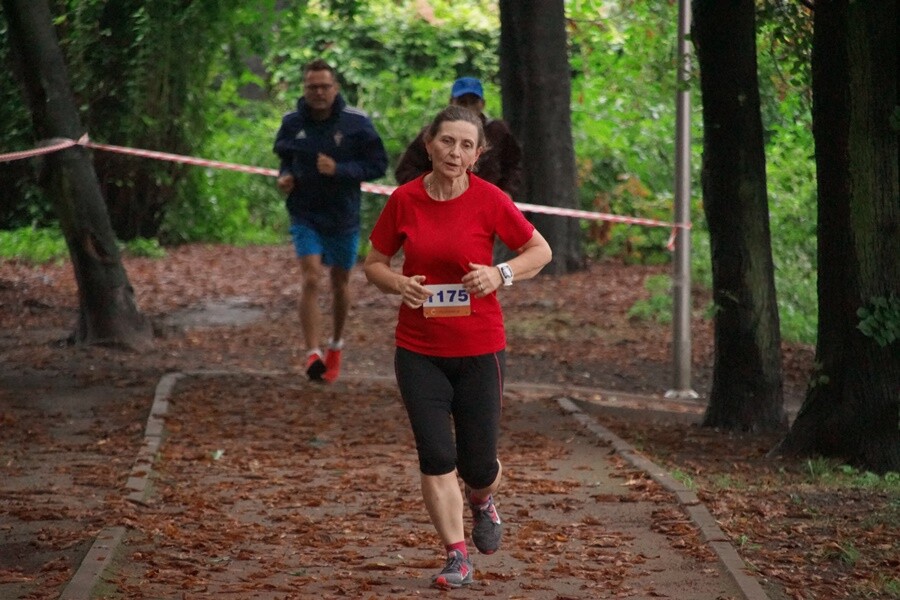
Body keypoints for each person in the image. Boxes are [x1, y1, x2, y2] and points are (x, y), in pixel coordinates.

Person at [363, 105, 552, 589]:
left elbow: (540, 251)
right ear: (429, 144)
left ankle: (483, 498)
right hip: (419, 348)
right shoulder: (404, 200)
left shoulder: (490, 200)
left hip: (479, 348)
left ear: (478, 154)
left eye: (467, 145)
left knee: (478, 464)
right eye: (448, 141)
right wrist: (398, 284)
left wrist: (499, 273)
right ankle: (456, 555)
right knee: (435, 454)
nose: (455, 152)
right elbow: (376, 263)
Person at [273, 58, 388, 383]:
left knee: (340, 282)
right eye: (313, 87)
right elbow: (285, 158)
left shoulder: (356, 123)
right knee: (310, 278)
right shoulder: (292, 122)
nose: (319, 92)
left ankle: (335, 345)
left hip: (343, 216)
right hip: (305, 213)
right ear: (304, 89)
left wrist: (340, 170)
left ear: (335, 88)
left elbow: (378, 165)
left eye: (324, 86)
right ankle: (313, 353)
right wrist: (286, 176)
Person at [394, 77, 523, 198]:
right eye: (462, 102)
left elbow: (514, 164)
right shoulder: (434, 133)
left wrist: (507, 191)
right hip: (444, 207)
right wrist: (434, 187)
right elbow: (405, 171)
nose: (467, 107)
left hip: (486, 207)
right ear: (451, 102)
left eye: (473, 102)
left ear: (482, 104)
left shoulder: (497, 131)